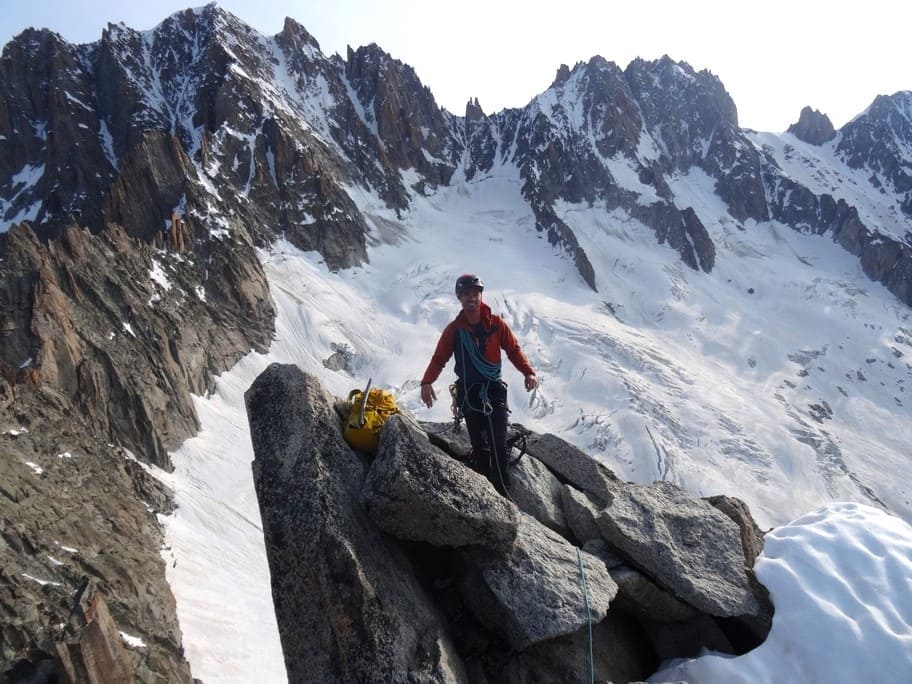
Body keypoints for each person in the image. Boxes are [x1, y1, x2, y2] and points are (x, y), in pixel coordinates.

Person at [420, 274, 537, 496]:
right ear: (459, 298)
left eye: (475, 293)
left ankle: (502, 492)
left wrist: (528, 371)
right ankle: (486, 493)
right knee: (479, 445)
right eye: (466, 294)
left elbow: (513, 349)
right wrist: (427, 382)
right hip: (469, 393)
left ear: (481, 295)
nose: (471, 298)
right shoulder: (454, 331)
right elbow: (439, 358)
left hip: (493, 390)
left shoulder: (496, 324)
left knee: (498, 443)